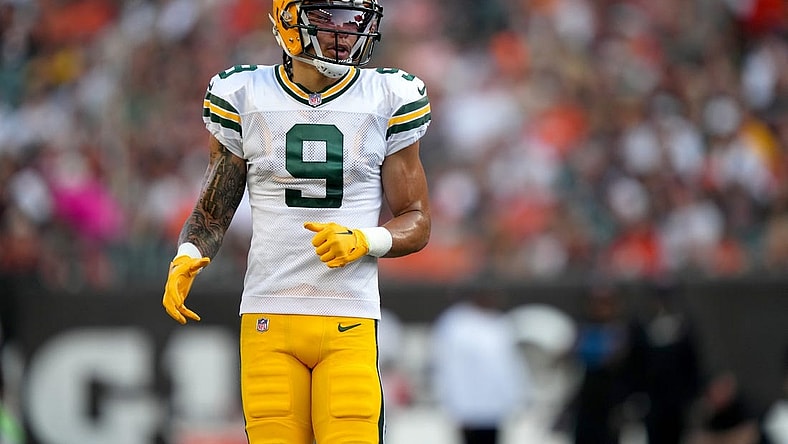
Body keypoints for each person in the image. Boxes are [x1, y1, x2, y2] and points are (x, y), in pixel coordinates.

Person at [161, 0, 432, 442]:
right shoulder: (246, 94)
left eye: (356, 20)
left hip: (348, 315)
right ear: (289, 20)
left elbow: (417, 221)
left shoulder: (387, 97)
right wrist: (189, 252)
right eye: (333, 19)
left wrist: (366, 240)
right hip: (269, 314)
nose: (347, 33)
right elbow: (214, 209)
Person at [430, 289, 531, 444]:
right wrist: (455, 405)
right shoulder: (456, 325)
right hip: (469, 409)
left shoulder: (499, 324)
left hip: (494, 408)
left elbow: (509, 368)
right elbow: (450, 369)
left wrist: (516, 398)